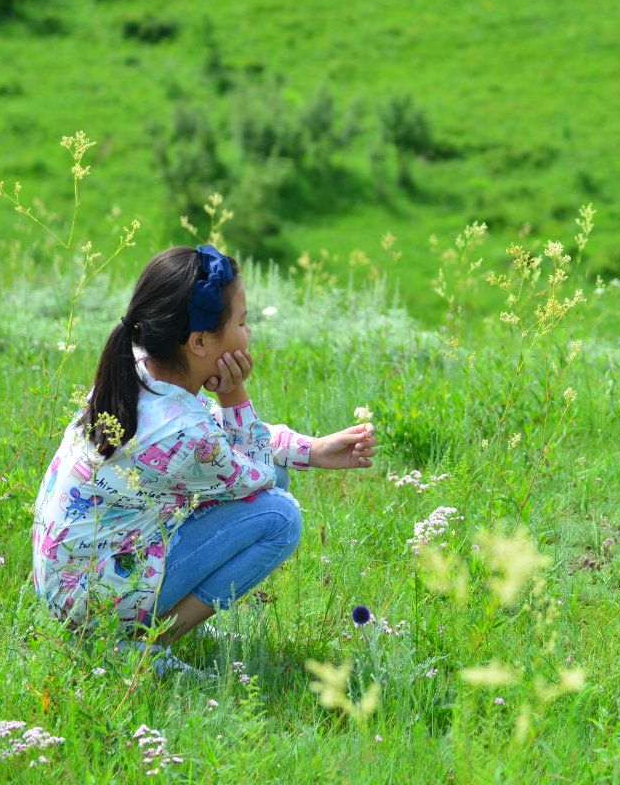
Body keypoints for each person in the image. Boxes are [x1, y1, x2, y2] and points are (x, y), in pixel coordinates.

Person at [31, 243, 374, 670]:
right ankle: (144, 645)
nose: (249, 333)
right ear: (198, 342)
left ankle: (150, 622)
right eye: (243, 322)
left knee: (273, 485)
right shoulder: (184, 432)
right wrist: (234, 392)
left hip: (72, 582)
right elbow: (255, 469)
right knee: (281, 517)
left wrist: (313, 450)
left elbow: (224, 441)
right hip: (94, 602)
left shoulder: (138, 369)